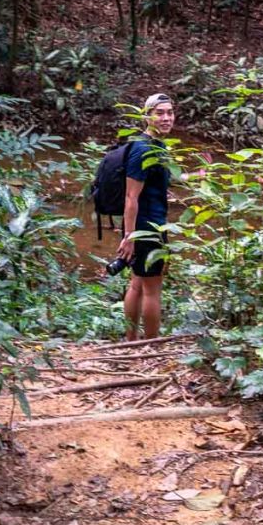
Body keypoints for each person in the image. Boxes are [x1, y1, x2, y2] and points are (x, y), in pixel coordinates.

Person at [116, 93, 175, 341]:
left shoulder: (157, 146)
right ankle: (152, 345)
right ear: (147, 116)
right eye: (159, 113)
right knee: (152, 289)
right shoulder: (142, 149)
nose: (166, 118)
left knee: (137, 284)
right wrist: (130, 236)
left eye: (169, 112)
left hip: (146, 224)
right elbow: (131, 197)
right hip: (146, 227)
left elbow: (154, 185)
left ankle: (132, 342)